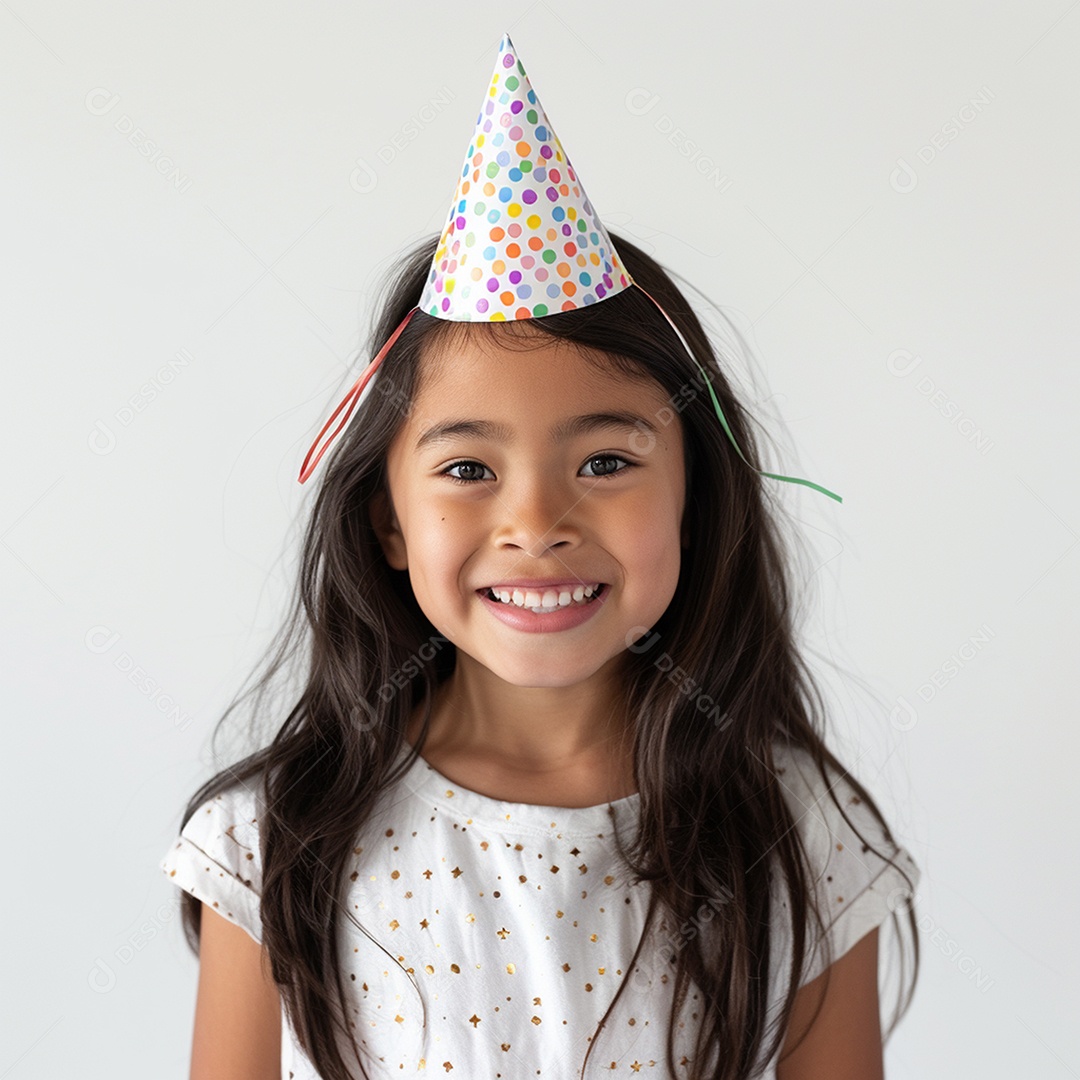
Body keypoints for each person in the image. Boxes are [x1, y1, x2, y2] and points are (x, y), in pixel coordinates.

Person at [160, 33, 920, 1080]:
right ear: (387, 521)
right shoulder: (273, 840)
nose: (536, 523)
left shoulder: (800, 835)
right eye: (469, 470)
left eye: (606, 459)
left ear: (695, 499)